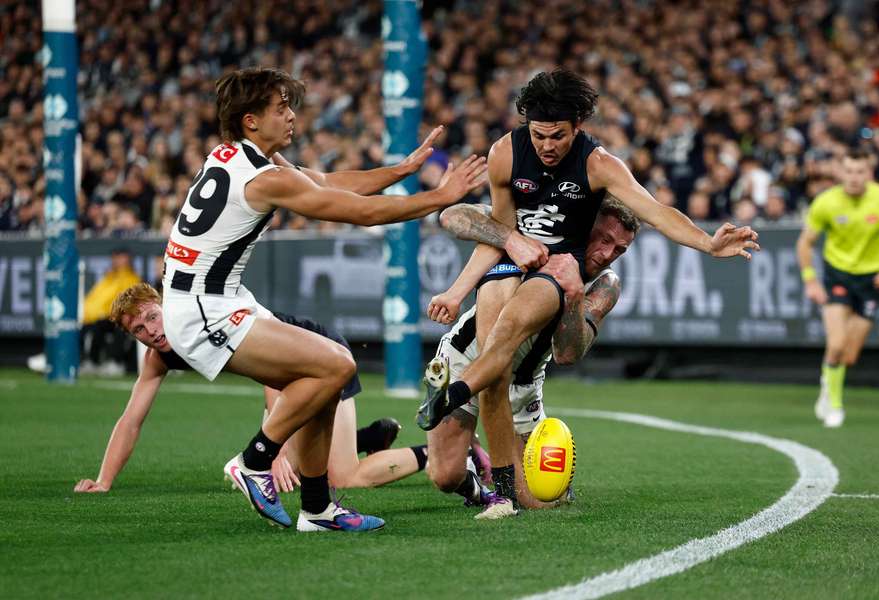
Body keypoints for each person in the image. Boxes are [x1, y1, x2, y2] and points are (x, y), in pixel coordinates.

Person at [418, 68, 759, 519]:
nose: (547, 145)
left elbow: (655, 213)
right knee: (444, 475)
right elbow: (475, 221)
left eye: (558, 136)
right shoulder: (508, 158)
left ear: (578, 126)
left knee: (538, 496)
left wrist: (707, 243)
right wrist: (487, 262)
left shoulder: (599, 178)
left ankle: (473, 418)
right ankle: (476, 439)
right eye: (540, 136)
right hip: (494, 307)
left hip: (538, 335)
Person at [161, 66, 486, 531]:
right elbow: (361, 213)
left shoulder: (235, 157)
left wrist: (402, 171)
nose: (292, 116)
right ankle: (255, 461)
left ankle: (317, 509)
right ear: (251, 120)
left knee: (326, 374)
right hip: (202, 308)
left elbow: (329, 183)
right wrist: (440, 196)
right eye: (281, 108)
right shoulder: (266, 177)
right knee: (337, 365)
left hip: (209, 298)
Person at [73, 283, 428, 495]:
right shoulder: (158, 357)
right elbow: (131, 420)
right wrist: (104, 480)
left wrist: (272, 451)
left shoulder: (197, 323)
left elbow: (277, 377)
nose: (149, 330)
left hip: (319, 354)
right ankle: (366, 439)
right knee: (287, 466)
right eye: (138, 329)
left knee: (342, 477)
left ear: (165, 305)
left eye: (152, 316)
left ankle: (443, 454)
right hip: (288, 375)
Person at [424, 199, 637, 517]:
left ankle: (501, 469)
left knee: (539, 499)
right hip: (464, 359)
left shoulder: (605, 285)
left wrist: (575, 295)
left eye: (619, 249)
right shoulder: (538, 234)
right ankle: (478, 468)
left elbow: (567, 354)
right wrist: (509, 238)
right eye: (604, 239)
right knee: (445, 477)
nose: (607, 254)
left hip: (522, 384)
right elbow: (452, 216)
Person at [796, 148, 879, 428]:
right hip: (837, 276)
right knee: (837, 343)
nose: (854, 177)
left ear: (870, 172)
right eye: (850, 171)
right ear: (841, 172)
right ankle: (835, 405)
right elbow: (805, 243)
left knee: (849, 356)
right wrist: (810, 279)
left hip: (871, 280)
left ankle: (827, 379)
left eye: (860, 171)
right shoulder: (826, 202)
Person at [81, 248, 142, 375]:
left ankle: (116, 362)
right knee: (93, 327)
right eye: (116, 258)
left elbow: (125, 302)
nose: (118, 261)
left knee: (120, 327)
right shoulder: (108, 279)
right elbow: (95, 300)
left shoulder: (133, 278)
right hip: (107, 317)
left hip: (125, 317)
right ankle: (92, 362)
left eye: (121, 258)